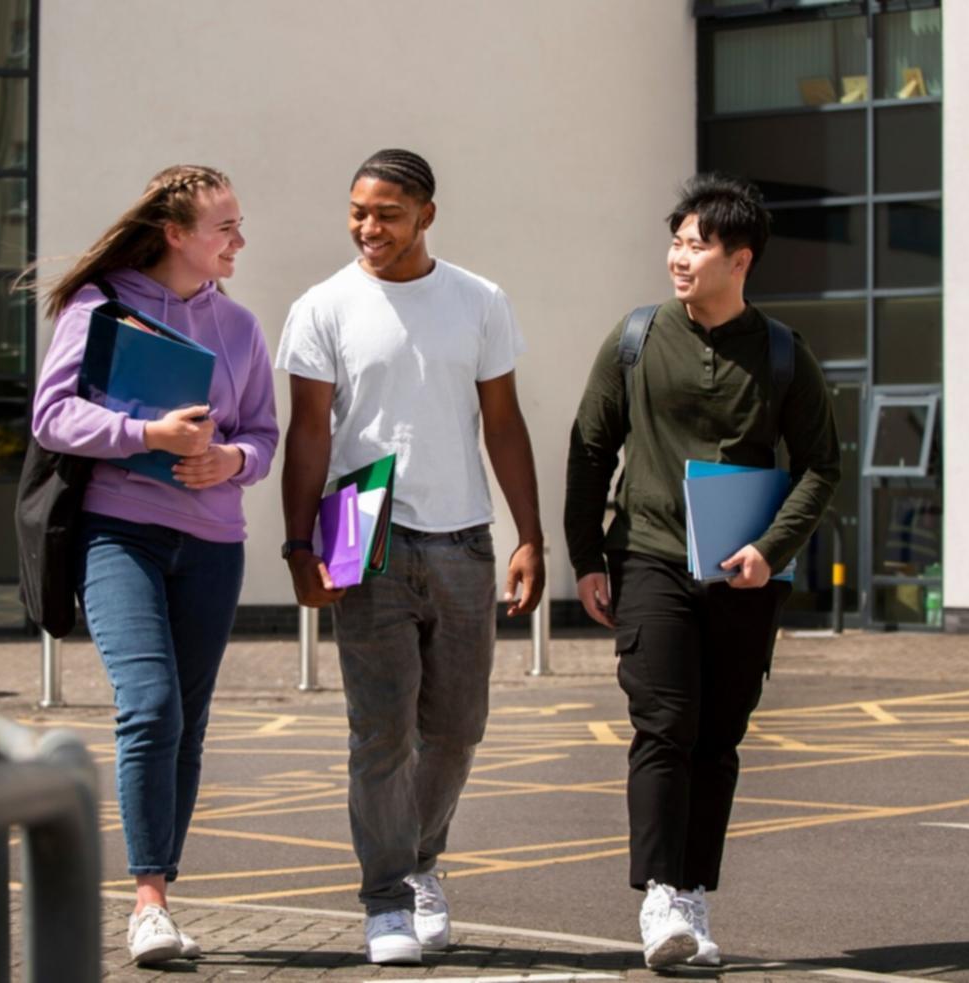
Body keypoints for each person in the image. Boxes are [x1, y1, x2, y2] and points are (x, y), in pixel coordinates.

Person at [562, 173, 840, 970]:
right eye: (676, 242)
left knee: (718, 737)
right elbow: (589, 447)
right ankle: (659, 893)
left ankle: (692, 892)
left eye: (698, 246)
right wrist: (587, 556)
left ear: (740, 259)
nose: (679, 258)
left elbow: (821, 465)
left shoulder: (783, 353)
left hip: (742, 574)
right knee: (665, 722)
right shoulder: (637, 338)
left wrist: (771, 548)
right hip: (650, 555)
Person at [275, 148, 545, 966]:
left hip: (464, 537)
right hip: (361, 530)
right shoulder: (323, 306)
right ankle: (388, 897)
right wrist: (298, 546)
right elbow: (308, 434)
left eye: (388, 213)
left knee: (457, 729)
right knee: (381, 731)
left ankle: (422, 858)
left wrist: (530, 534)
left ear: (427, 215)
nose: (369, 227)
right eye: (358, 211)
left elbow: (503, 422)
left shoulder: (479, 299)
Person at [28, 165, 278, 965]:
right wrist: (146, 436)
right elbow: (52, 415)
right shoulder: (100, 306)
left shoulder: (239, 326)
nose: (239, 241)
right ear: (175, 233)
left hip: (214, 543)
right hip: (120, 533)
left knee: (188, 724)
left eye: (238, 225)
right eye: (225, 228)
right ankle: (148, 905)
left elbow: (263, 435)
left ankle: (161, 886)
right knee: (150, 704)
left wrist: (231, 459)